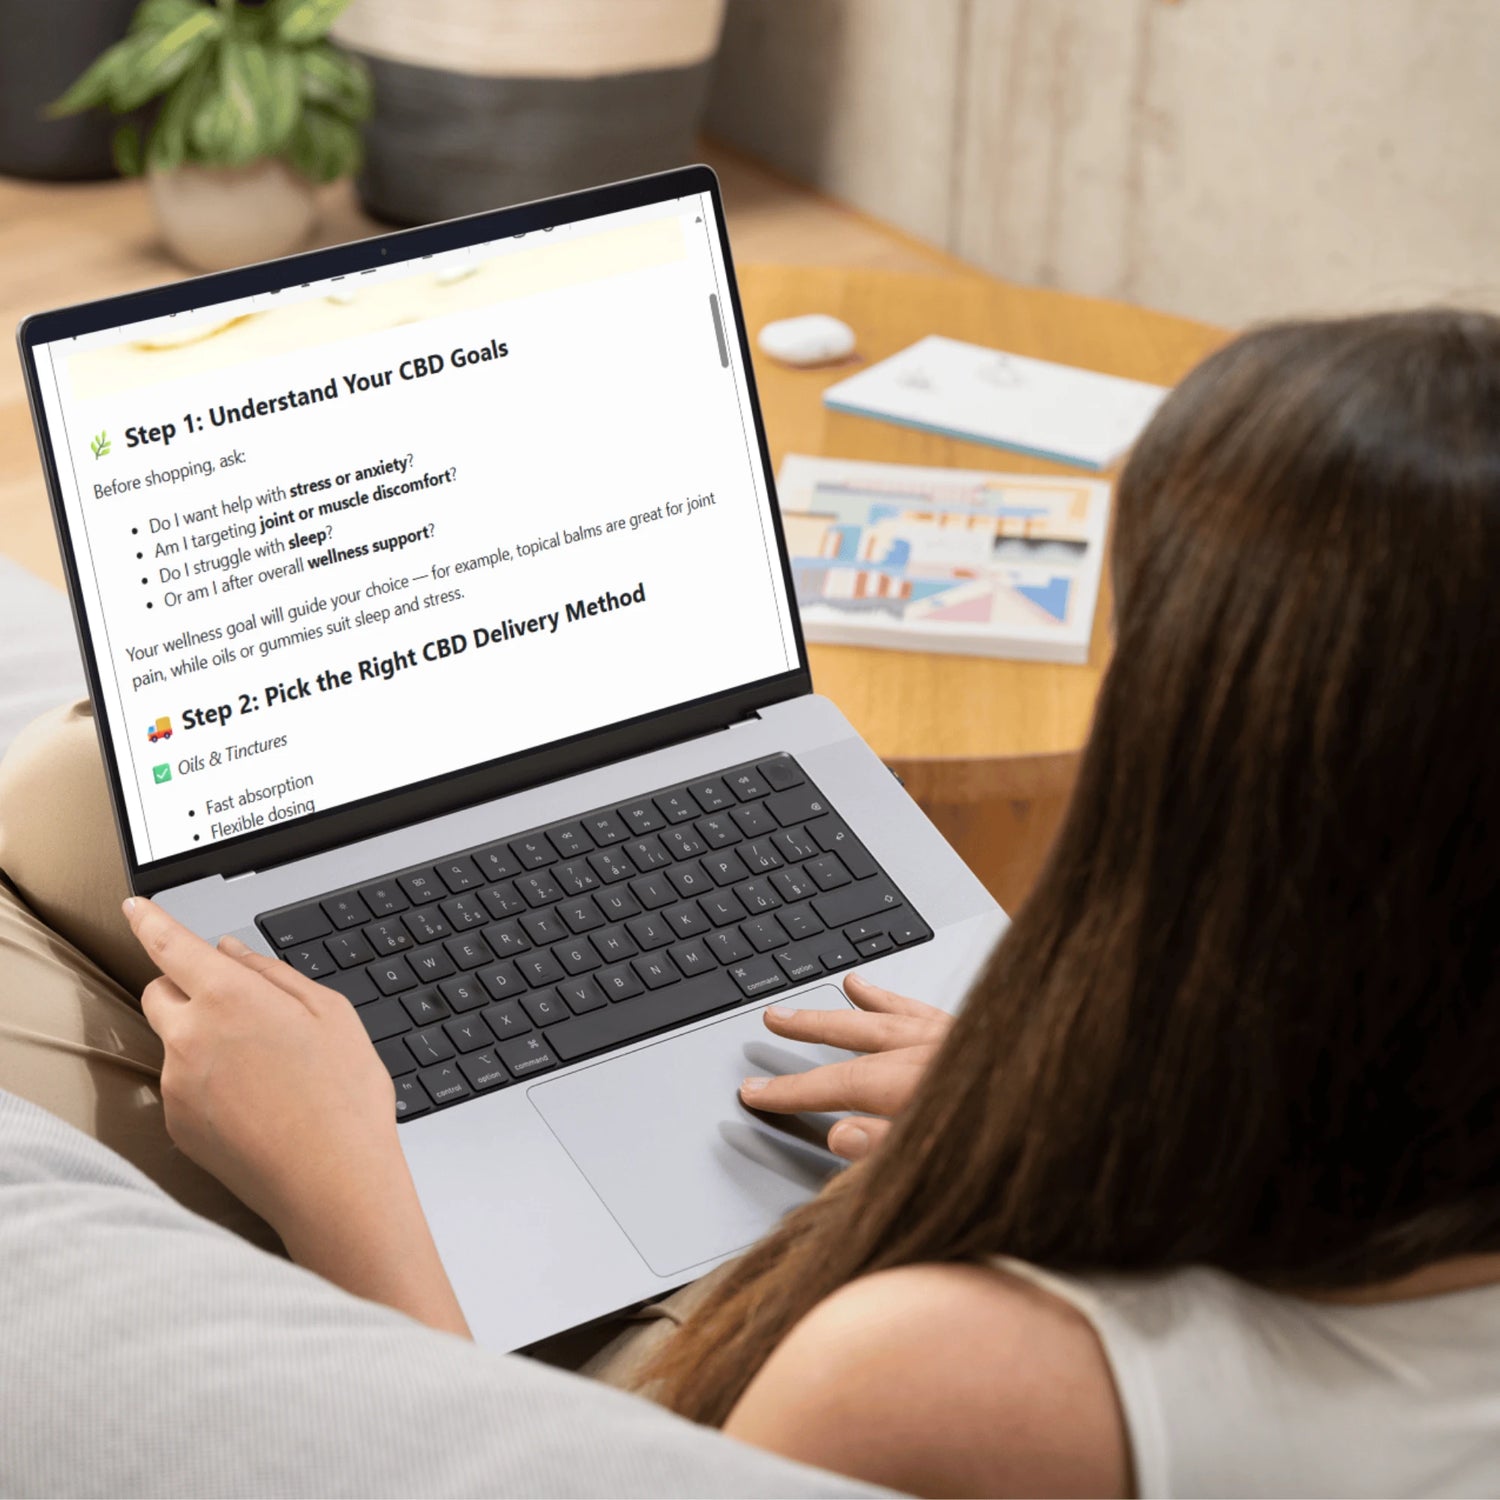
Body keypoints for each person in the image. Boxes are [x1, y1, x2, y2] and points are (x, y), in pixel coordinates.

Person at [5, 309, 1500, 1496]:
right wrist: (1066, 1099)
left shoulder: (956, 1382)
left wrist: (345, 1186)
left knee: (69, 833)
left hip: (533, 1343)